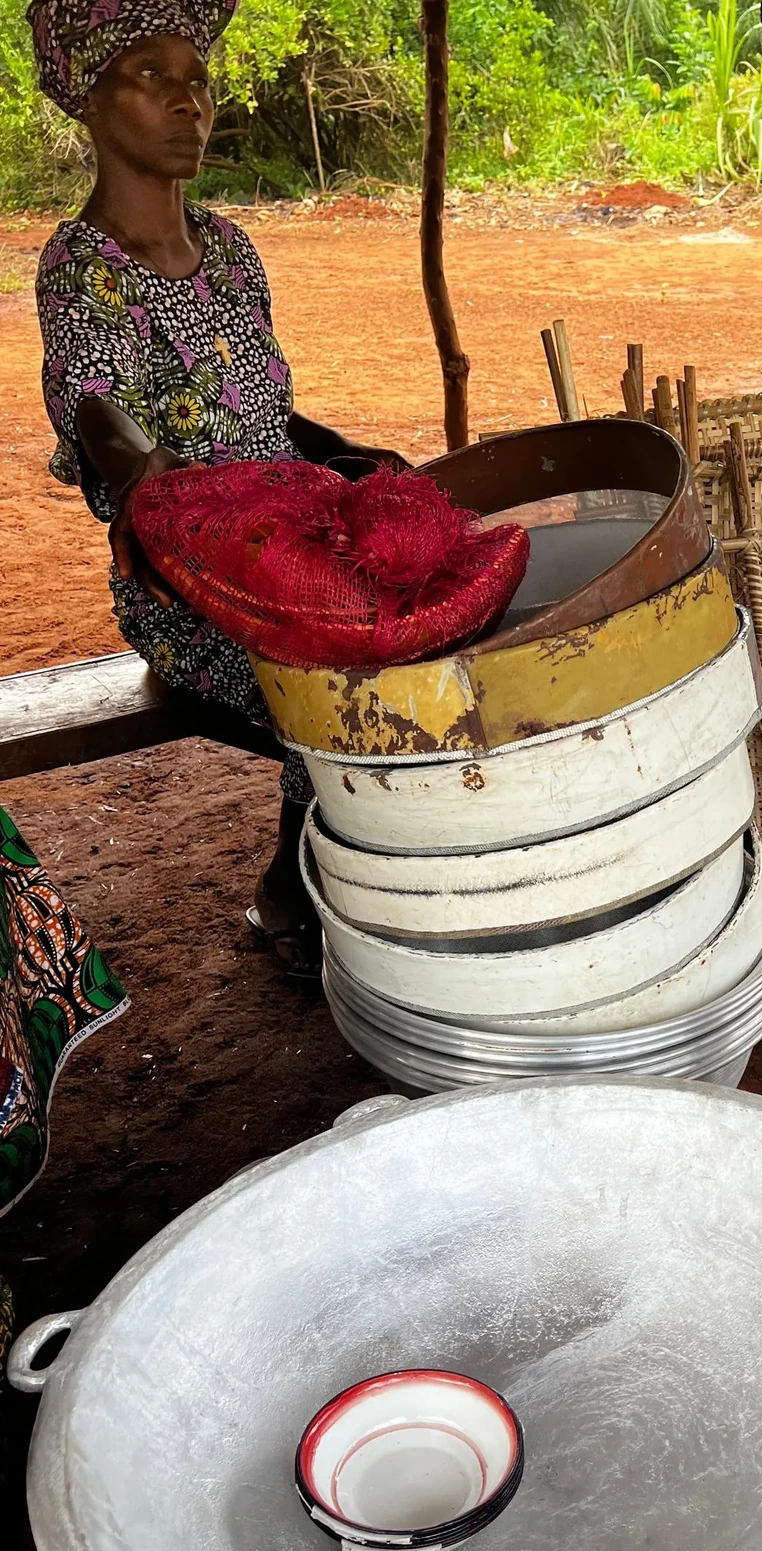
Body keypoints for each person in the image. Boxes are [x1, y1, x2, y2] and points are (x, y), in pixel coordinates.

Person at [29, 0, 408, 977]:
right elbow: (97, 410)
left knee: (415, 630)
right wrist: (139, 467)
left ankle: (345, 875)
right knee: (332, 680)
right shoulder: (80, 272)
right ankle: (300, 889)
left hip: (292, 544)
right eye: (152, 74)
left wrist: (357, 460)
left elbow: (270, 416)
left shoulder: (233, 253)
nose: (189, 98)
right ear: (87, 94)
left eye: (195, 75)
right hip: (187, 589)